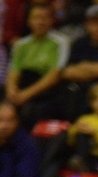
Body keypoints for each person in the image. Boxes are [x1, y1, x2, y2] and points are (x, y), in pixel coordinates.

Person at [5, 1, 70, 129]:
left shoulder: (60, 42)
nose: (40, 22)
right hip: (22, 86)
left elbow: (54, 75)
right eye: (36, 18)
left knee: (29, 112)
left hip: (46, 92)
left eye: (45, 18)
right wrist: (11, 92)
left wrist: (25, 95)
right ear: (28, 21)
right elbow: (13, 72)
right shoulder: (21, 45)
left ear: (52, 20)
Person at [0, 100, 42, 177]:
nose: (4, 126)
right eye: (1, 120)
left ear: (17, 122)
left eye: (10, 121)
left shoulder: (26, 146)